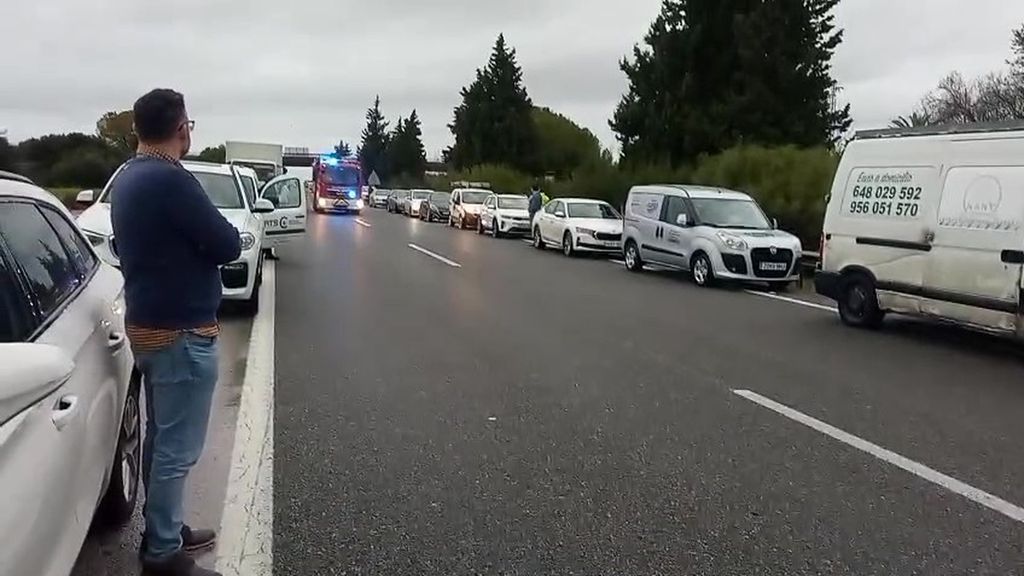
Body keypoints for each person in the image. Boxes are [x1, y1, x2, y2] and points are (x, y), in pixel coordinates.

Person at [110, 89, 240, 576]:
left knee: (162, 439)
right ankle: (163, 553)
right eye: (189, 124)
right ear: (181, 127)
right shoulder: (170, 180)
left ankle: (164, 527)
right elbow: (226, 242)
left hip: (147, 326)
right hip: (180, 334)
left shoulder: (129, 176)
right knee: (177, 449)